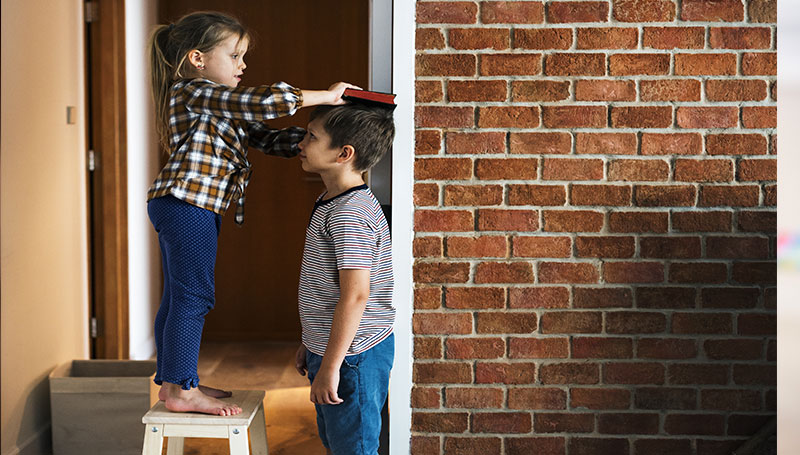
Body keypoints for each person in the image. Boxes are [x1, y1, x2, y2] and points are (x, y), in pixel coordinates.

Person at [147, 10, 356, 416]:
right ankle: (181, 391)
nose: (243, 66)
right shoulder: (192, 91)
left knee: (179, 296)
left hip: (185, 204)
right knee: (193, 296)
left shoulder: (217, 105)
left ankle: (176, 381)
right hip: (187, 204)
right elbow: (263, 102)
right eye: (235, 55)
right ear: (198, 60)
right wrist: (326, 96)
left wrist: (324, 140)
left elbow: (267, 137)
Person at [293, 103, 396, 455]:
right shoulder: (332, 200)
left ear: (344, 153)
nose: (301, 143)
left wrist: (332, 365)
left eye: (311, 136)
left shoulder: (350, 213)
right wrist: (312, 341)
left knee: (354, 448)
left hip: (354, 356)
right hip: (336, 350)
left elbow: (355, 296)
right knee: (337, 443)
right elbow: (327, 288)